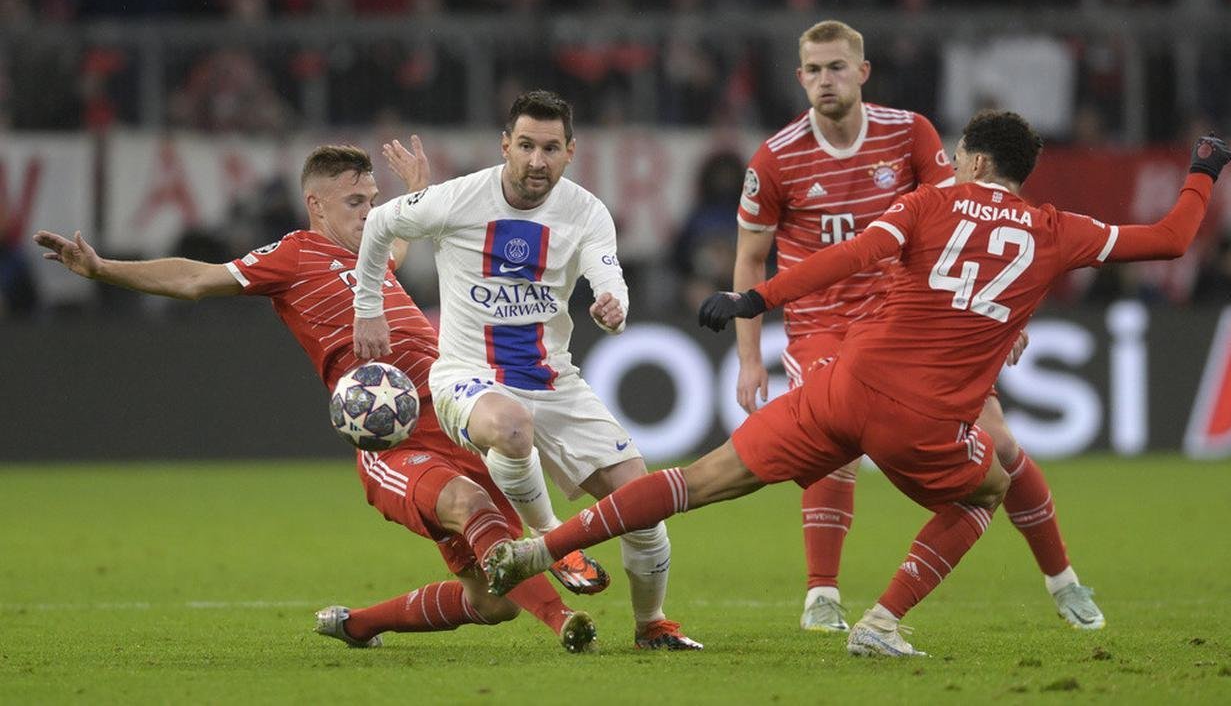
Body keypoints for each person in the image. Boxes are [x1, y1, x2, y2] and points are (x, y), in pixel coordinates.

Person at [483, 113, 1231, 658]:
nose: (952, 164)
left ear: (972, 160)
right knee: (986, 489)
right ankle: (882, 621)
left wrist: (756, 299)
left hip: (843, 387)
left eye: (957, 157)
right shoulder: (1056, 229)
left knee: (695, 480)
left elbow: (850, 258)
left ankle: (545, 548)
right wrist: (1203, 169)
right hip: (924, 422)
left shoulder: (928, 203)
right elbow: (1171, 240)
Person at [33, 144, 600, 654]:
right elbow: (196, 279)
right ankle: (563, 617)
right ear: (317, 205)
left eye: (372, 200)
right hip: (394, 438)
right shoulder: (295, 255)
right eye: (355, 202)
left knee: (492, 602)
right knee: (469, 505)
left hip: (452, 413)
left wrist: (416, 193)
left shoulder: (373, 255)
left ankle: (360, 624)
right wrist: (103, 268)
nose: (369, 212)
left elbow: (398, 245)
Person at [734, 20, 1102, 632]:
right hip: (824, 324)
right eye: (814, 70)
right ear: (799, 78)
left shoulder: (910, 133)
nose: (826, 80)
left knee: (1000, 443)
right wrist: (750, 357)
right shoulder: (775, 158)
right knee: (835, 448)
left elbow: (970, 224)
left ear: (862, 72)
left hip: (911, 320)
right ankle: (822, 595)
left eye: (836, 67)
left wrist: (1002, 317)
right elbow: (750, 260)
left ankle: (1063, 580)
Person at [351, 90, 702, 650]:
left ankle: (651, 625)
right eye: (526, 146)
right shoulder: (458, 199)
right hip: (470, 375)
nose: (537, 160)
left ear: (570, 152)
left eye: (550, 148)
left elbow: (607, 273)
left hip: (554, 380)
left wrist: (613, 305)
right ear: (505, 146)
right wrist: (367, 307)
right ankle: (549, 540)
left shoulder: (586, 212)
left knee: (643, 505)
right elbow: (379, 224)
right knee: (512, 427)